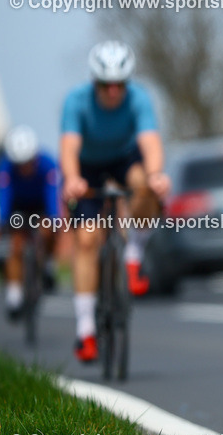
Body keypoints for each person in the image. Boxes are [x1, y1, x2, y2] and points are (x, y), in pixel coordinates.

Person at [59, 40, 171, 363]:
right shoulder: (76, 101)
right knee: (87, 238)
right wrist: (73, 180)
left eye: (119, 85)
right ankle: (86, 331)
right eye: (105, 85)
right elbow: (69, 147)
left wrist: (156, 175)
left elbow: (150, 143)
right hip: (88, 166)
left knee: (145, 185)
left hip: (124, 159)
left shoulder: (139, 99)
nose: (113, 92)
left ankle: (133, 253)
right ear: (94, 83)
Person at [0, 125, 60, 319]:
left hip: (40, 205)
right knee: (16, 245)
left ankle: (47, 264)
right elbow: (3, 196)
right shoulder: (5, 168)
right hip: (18, 207)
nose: (24, 167)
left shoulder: (48, 164)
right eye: (19, 163)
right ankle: (14, 296)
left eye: (28, 162)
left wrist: (54, 219)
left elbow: (52, 194)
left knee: (49, 230)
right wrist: (1, 222)